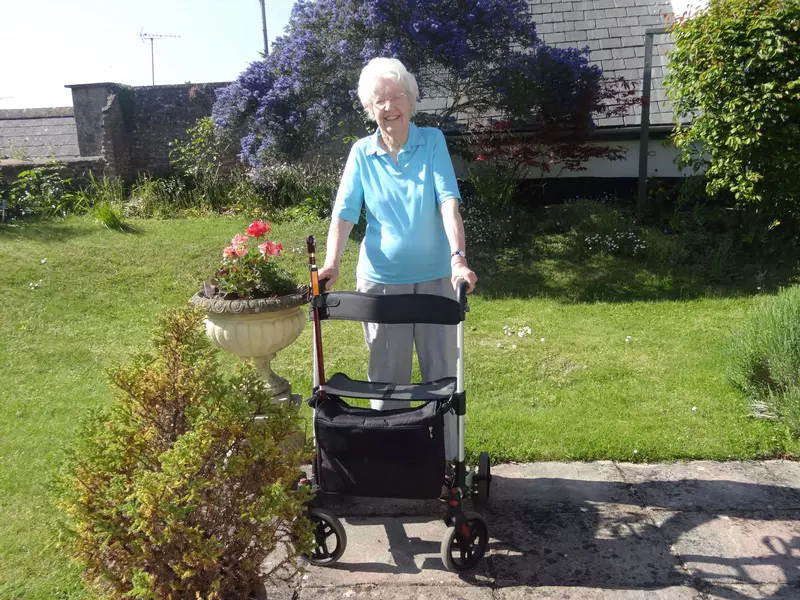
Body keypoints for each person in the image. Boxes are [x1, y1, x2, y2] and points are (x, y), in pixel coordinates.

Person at [318, 57, 477, 457]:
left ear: (411, 101)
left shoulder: (432, 142)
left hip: (437, 278)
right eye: (380, 100)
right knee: (386, 377)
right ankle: (389, 461)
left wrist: (458, 258)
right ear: (370, 108)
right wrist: (332, 264)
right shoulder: (361, 153)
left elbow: (448, 204)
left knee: (441, 374)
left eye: (397, 97)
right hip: (381, 282)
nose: (389, 107)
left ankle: (443, 459)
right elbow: (344, 213)